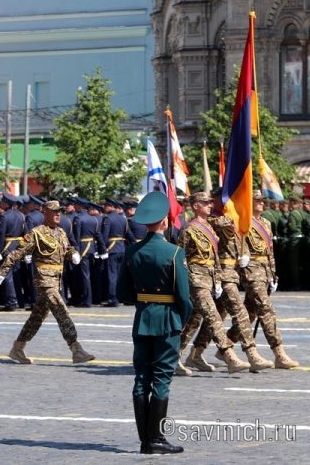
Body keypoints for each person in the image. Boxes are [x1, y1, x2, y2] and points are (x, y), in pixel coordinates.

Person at [117, 191, 191, 455]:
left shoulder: (132, 251)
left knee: (141, 379)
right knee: (161, 378)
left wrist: (143, 302)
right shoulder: (174, 253)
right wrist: (183, 320)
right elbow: (184, 297)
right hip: (168, 320)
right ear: (164, 221)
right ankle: (156, 438)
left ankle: (145, 440)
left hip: (142, 319)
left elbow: (122, 293)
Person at [0, 200, 94, 365]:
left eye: (59, 211)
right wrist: (3, 271)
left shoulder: (61, 232)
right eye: (54, 211)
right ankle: (76, 350)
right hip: (44, 281)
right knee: (61, 311)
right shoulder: (36, 233)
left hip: (56, 280)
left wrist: (73, 253)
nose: (58, 214)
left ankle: (17, 348)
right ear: (45, 213)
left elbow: (67, 248)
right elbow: (18, 252)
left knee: (37, 317)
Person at [176, 192, 249, 375]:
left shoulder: (209, 226)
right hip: (195, 278)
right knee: (213, 316)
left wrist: (217, 280)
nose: (210, 205)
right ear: (195, 206)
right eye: (205, 203)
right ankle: (229, 356)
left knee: (193, 321)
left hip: (209, 279)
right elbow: (180, 258)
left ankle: (173, 356)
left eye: (210, 202)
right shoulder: (189, 230)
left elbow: (215, 257)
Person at [228, 191, 298, 369]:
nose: (261, 203)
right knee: (266, 310)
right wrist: (241, 259)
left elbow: (270, 251)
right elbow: (236, 245)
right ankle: (279, 353)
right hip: (251, 271)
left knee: (250, 312)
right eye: (257, 200)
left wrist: (273, 275)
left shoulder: (266, 223)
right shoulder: (242, 221)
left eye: (262, 200)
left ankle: (226, 345)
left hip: (265, 270)